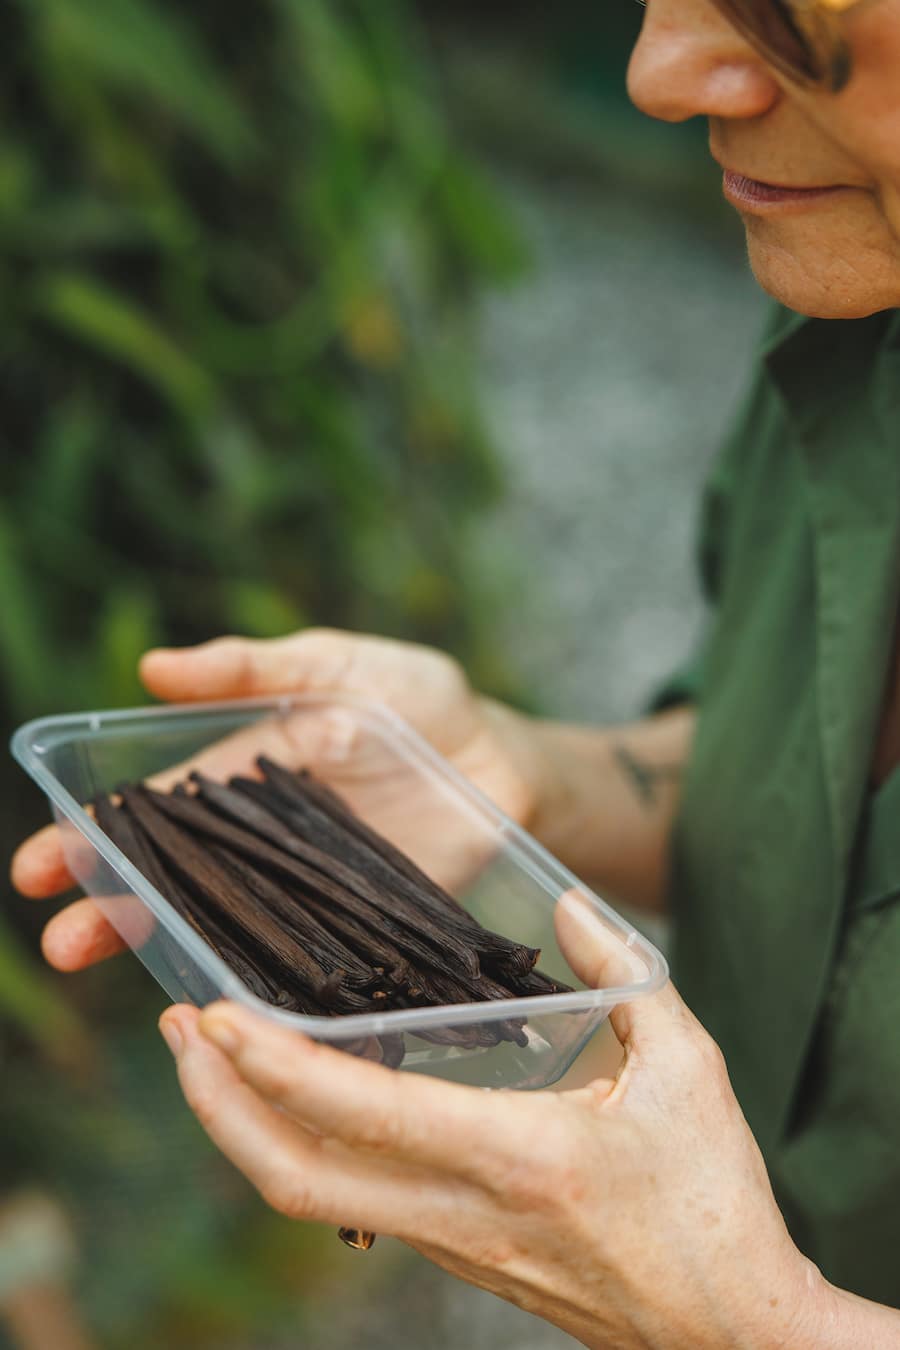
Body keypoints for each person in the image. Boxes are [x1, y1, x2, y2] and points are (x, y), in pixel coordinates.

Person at [11, 0, 900, 1343]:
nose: (659, 75)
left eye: (788, 17)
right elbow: (821, 801)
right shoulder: (854, 324)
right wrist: (525, 774)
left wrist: (747, 1320)